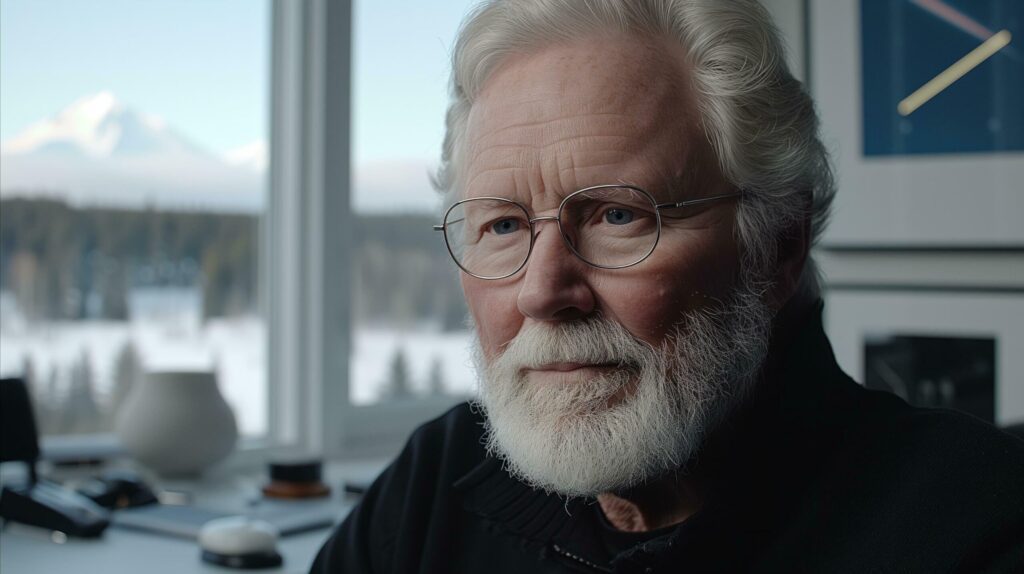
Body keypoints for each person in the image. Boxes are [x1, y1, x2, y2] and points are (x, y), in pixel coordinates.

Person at [312, 0, 1024, 571]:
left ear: (777, 244)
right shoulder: (437, 481)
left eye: (619, 215)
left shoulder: (979, 524)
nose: (541, 291)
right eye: (502, 226)